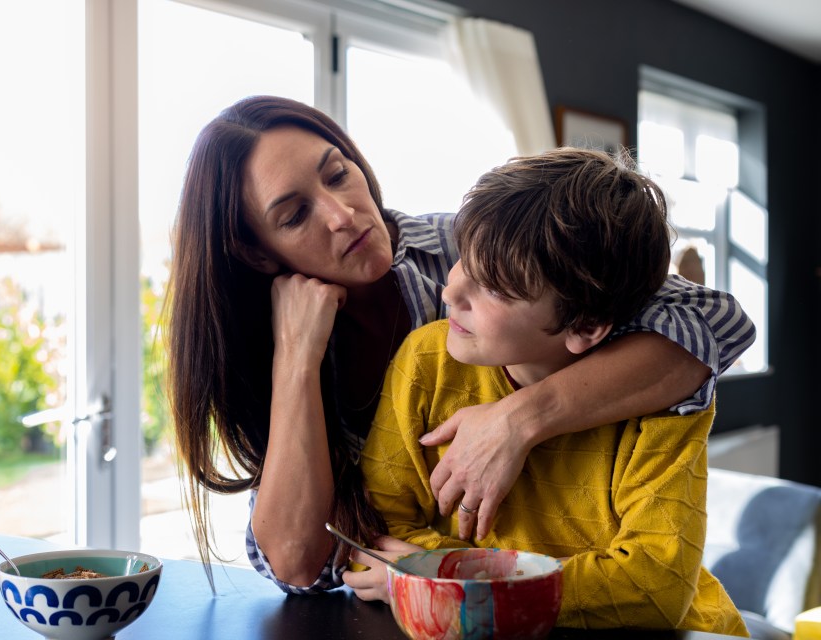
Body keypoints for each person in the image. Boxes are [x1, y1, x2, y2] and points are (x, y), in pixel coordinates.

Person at [163, 95, 755, 594]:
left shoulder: (467, 245)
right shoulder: (264, 339)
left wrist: (517, 420)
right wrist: (296, 358)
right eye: (295, 215)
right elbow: (298, 564)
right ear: (257, 252)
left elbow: (714, 321)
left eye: (338, 173)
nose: (344, 215)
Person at [353, 148, 748, 634]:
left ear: (584, 325)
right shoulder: (427, 359)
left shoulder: (660, 399)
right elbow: (371, 542)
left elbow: (653, 587)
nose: (451, 292)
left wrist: (442, 575)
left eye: (495, 287)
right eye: (462, 260)